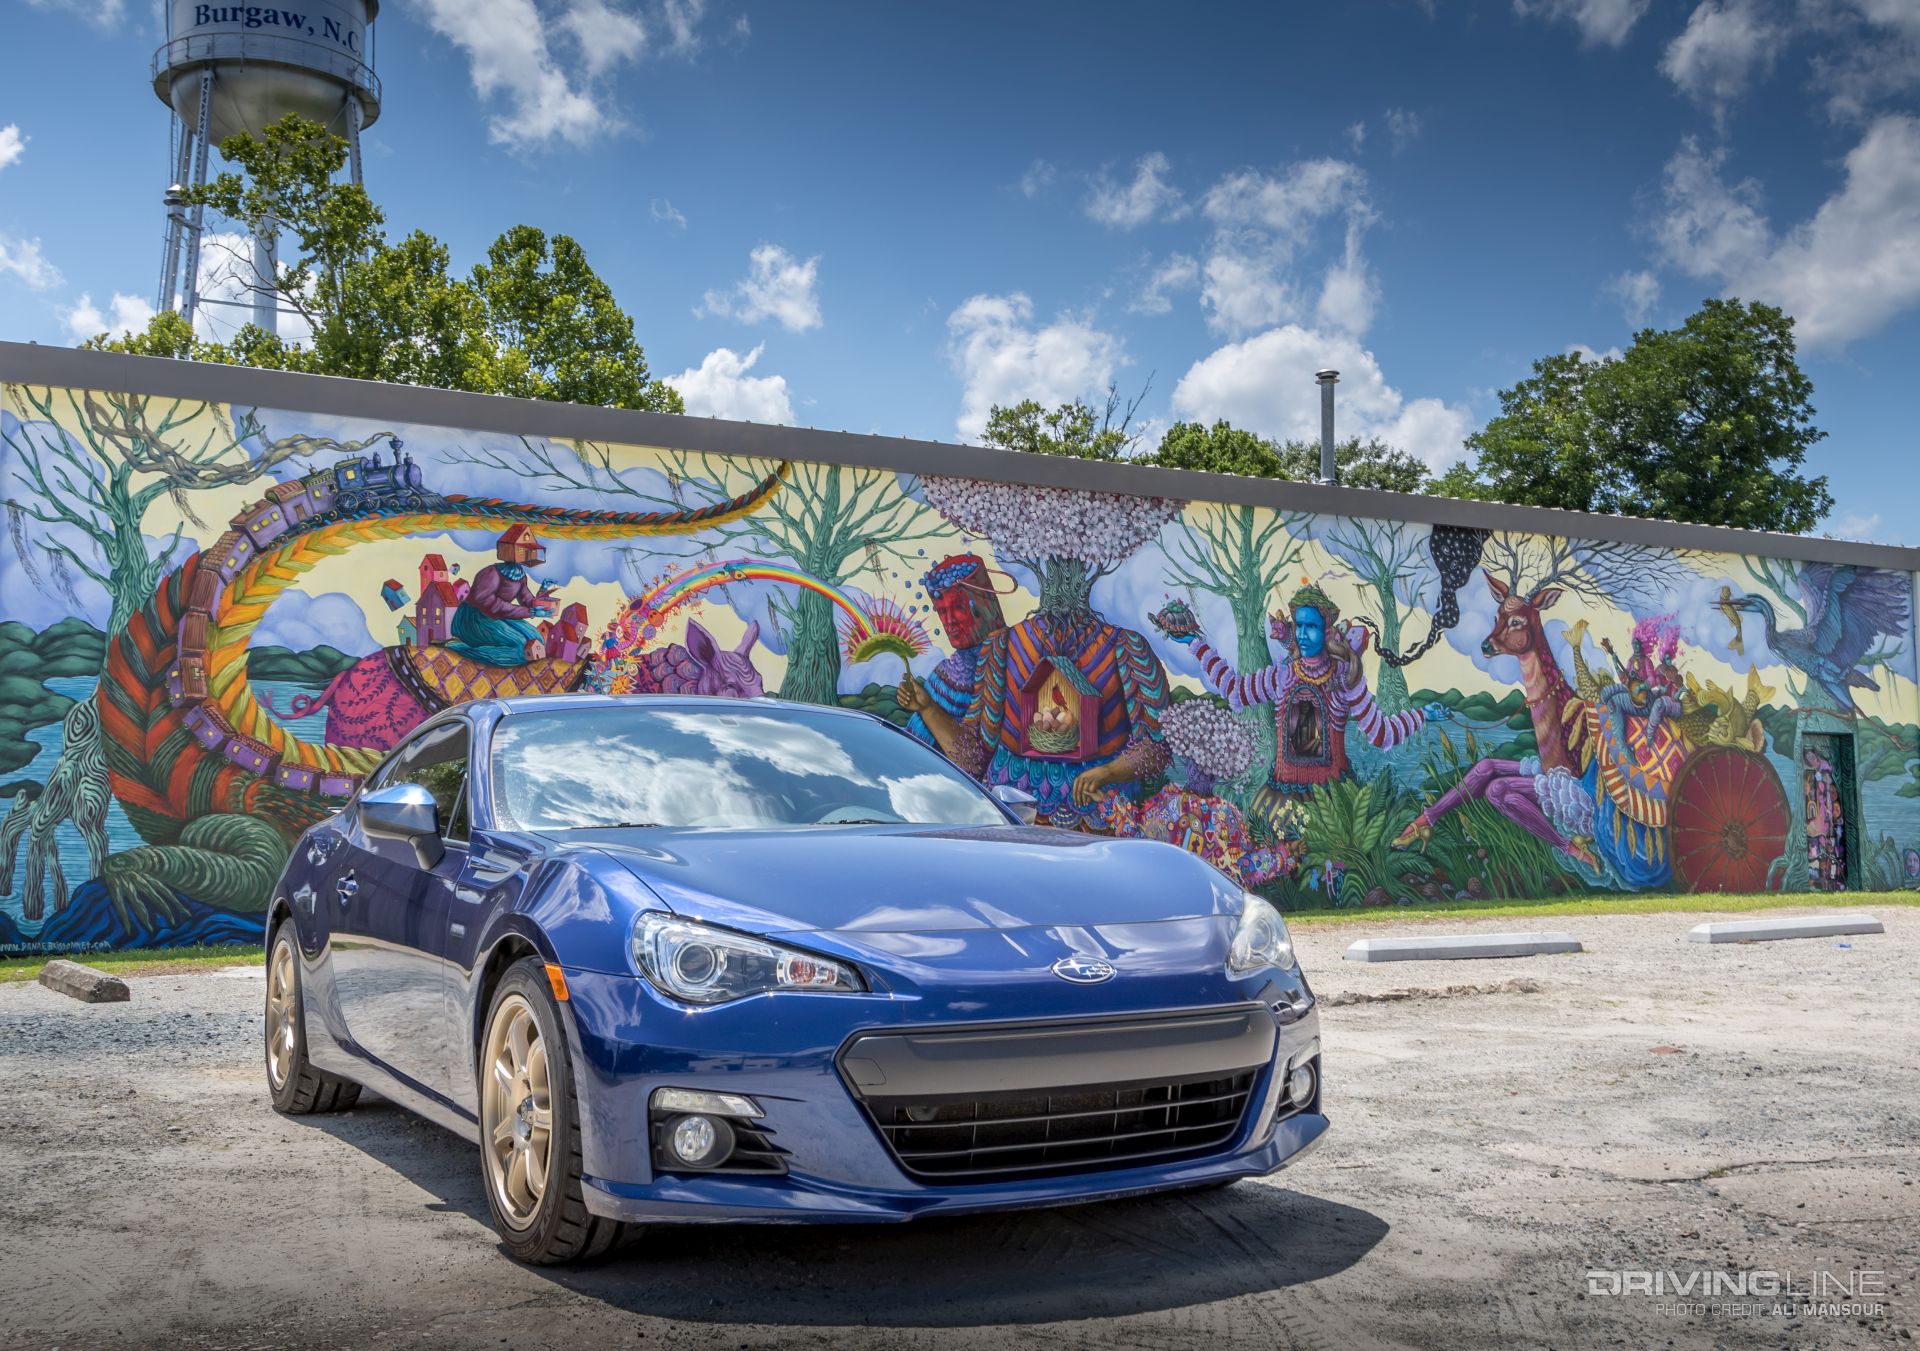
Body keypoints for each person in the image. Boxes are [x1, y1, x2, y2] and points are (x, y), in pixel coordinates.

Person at [1158, 581, 1447, 837]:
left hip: (1331, 803)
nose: (1305, 634)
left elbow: (1380, 733)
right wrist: (1195, 643)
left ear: (1327, 630)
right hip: (1279, 801)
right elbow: (1234, 689)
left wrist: (1423, 715)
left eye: (1312, 627)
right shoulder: (1283, 675)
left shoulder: (1344, 678)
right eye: (1300, 626)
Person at [895, 553, 1009, 749]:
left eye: (957, 608)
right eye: (942, 611)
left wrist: (927, 708)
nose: (949, 622)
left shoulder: (1009, 662)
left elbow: (974, 755)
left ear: (982, 605)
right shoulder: (945, 674)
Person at [446, 525, 558, 667]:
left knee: (536, 640)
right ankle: (463, 648)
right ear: (510, 550)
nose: (528, 554)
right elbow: (490, 604)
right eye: (524, 550)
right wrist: (531, 612)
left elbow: (527, 599)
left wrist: (543, 593)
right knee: (520, 646)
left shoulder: (519, 575)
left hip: (499, 616)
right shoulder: (491, 573)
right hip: (475, 618)